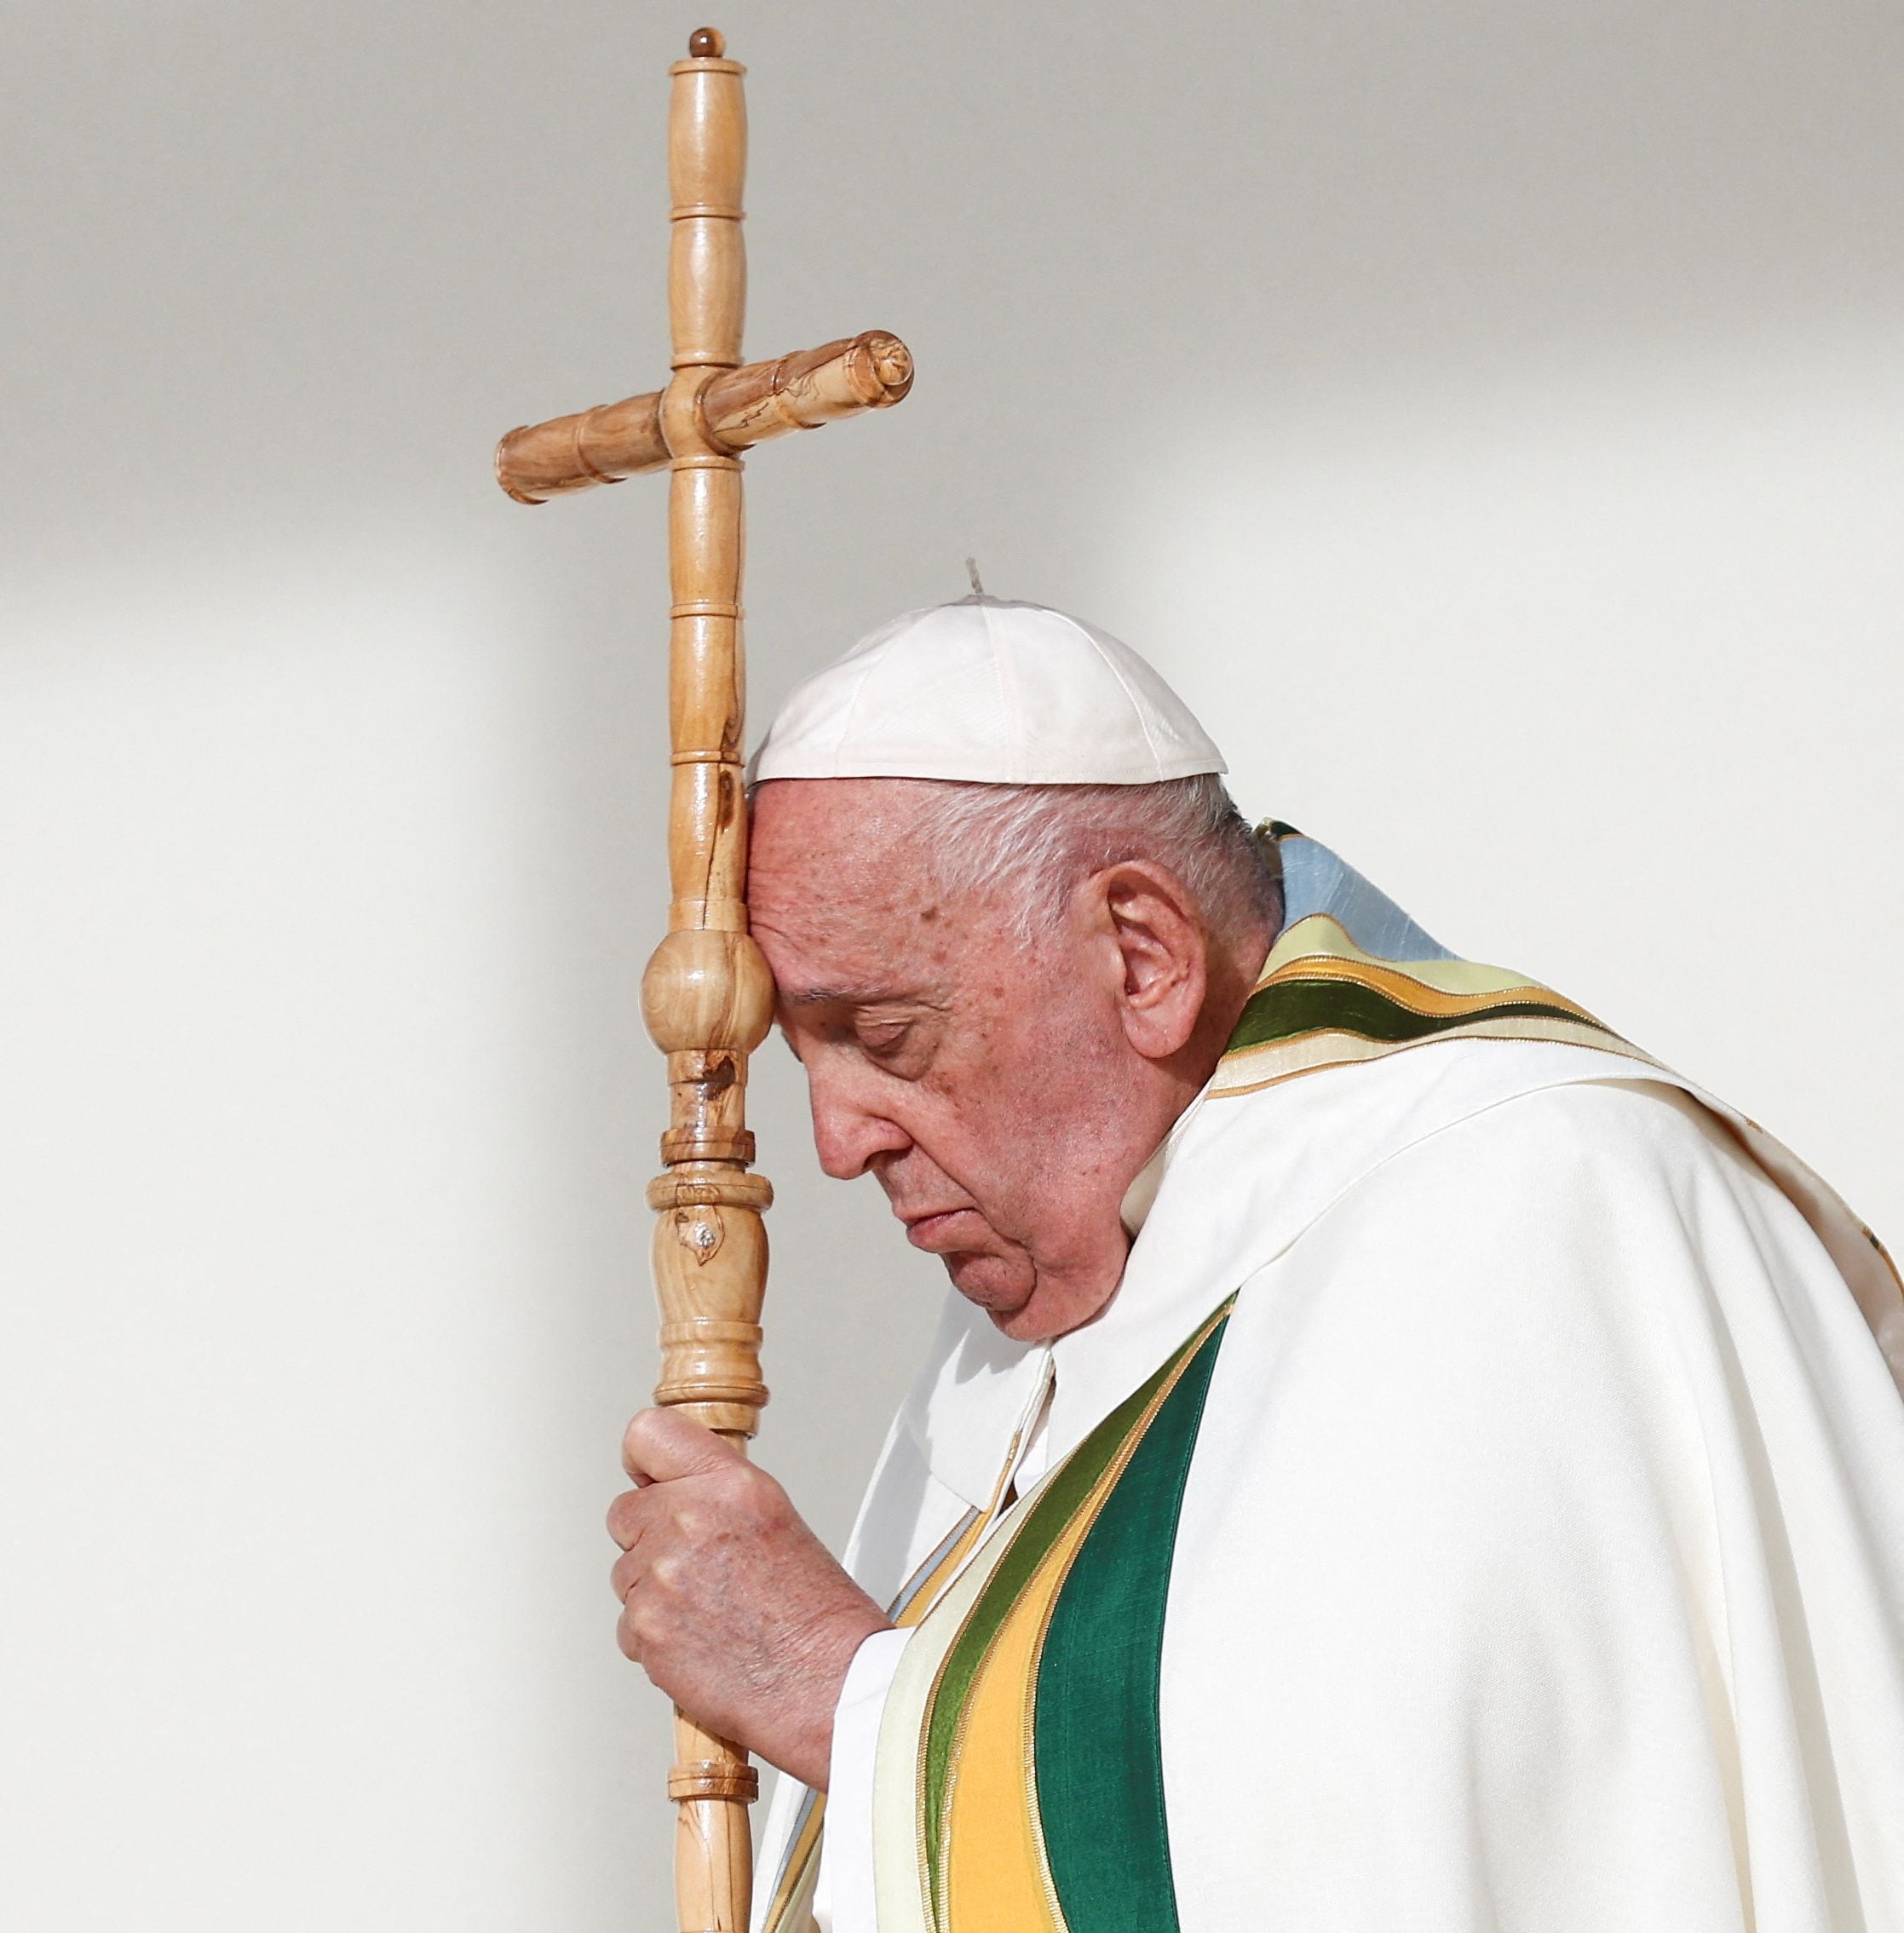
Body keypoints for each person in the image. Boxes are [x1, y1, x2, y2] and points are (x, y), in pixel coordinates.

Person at [603, 591, 1904, 1933]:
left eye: (886, 1033)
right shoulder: (1056, 1299)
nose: (835, 1140)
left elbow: (1368, 1861)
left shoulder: (1533, 1205)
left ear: (1145, 955)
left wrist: (842, 1701)